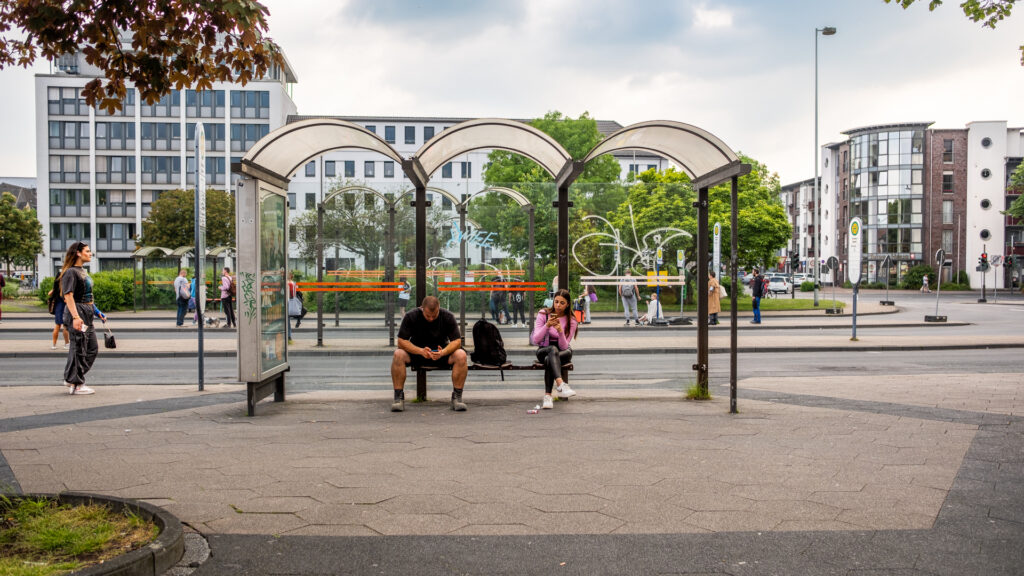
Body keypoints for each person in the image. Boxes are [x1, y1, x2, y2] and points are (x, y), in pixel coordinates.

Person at [390, 296, 467, 412]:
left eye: (434, 316)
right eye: (427, 316)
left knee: (461, 354)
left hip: (441, 354)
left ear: (439, 309)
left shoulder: (447, 316)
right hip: (417, 354)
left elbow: (457, 341)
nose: (431, 319)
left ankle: (457, 398)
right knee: (398, 354)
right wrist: (420, 351)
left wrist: (443, 352)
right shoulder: (411, 316)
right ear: (422, 309)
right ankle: (398, 398)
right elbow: (401, 341)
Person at [60, 241, 99, 395]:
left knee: (92, 348)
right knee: (79, 348)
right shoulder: (71, 272)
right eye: (87, 251)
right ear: (78, 253)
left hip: (87, 312)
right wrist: (76, 317)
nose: (90, 254)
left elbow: (88, 296)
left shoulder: (83, 271)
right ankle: (76, 383)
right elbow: (68, 295)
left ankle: (72, 378)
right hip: (78, 313)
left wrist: (97, 311)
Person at [532, 288, 578, 409]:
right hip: (544, 349)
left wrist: (560, 331)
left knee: (550, 358)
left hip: (563, 351)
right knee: (551, 351)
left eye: (562, 303)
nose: (558, 305)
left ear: (568, 305)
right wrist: (547, 326)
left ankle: (548, 397)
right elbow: (536, 340)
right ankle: (561, 384)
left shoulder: (572, 321)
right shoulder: (543, 314)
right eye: (556, 301)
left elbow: (564, 346)